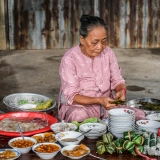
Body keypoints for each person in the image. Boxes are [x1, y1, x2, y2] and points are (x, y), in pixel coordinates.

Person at [58, 15, 145, 122]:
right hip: (81, 107)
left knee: (139, 115)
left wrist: (121, 91)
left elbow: (117, 80)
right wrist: (99, 100)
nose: (100, 47)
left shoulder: (108, 53)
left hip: (107, 106)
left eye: (103, 41)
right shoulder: (70, 59)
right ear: (82, 39)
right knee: (79, 116)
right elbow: (71, 96)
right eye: (94, 42)